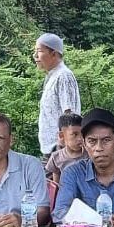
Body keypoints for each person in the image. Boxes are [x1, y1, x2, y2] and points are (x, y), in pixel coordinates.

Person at [34, 33, 81, 162]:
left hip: (60, 149)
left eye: (39, 51)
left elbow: (70, 115)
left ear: (53, 54)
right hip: (51, 149)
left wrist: (64, 147)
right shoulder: (52, 76)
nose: (35, 56)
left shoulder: (64, 76)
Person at [45, 113, 88, 185]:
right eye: (75, 134)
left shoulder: (90, 155)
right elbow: (56, 185)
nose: (80, 139)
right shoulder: (56, 157)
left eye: (82, 134)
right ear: (61, 135)